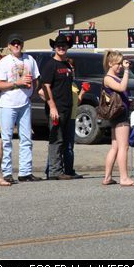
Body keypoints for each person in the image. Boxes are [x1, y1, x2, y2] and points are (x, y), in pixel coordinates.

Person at [0, 33, 41, 183]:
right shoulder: (4, 62)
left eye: (19, 43)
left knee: (26, 138)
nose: (16, 46)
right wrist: (18, 83)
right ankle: (7, 173)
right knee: (7, 140)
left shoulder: (29, 60)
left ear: (22, 45)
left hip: (25, 103)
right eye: (13, 43)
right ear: (9, 46)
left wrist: (31, 91)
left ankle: (25, 172)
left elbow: (36, 79)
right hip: (7, 104)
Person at [40, 34, 77, 181]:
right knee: (56, 139)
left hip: (68, 108)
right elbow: (45, 87)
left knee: (67, 140)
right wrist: (52, 107)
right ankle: (54, 171)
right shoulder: (50, 65)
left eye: (64, 46)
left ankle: (66, 170)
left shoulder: (67, 65)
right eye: (58, 46)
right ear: (54, 48)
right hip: (57, 109)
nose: (61, 48)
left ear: (67, 47)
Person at [101, 50, 134, 186]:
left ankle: (107, 177)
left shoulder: (114, 77)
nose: (120, 66)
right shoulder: (108, 78)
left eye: (121, 64)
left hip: (119, 114)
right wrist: (126, 71)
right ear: (110, 63)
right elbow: (122, 86)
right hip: (119, 115)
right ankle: (124, 178)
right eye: (117, 64)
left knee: (115, 147)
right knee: (124, 147)